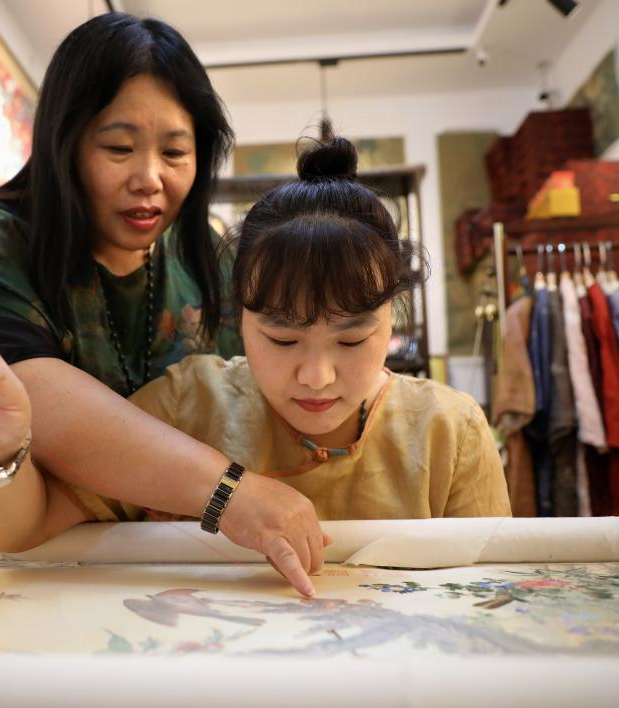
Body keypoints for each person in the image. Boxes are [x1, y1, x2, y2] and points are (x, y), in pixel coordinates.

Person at [0, 13, 327, 598]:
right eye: (118, 147)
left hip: (167, 557)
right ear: (64, 143)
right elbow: (34, 404)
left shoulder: (208, 257)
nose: (149, 178)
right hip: (5, 550)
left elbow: (250, 394)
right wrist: (229, 492)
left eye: (175, 152)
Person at [57, 122, 512, 523]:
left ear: (391, 316)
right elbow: (38, 518)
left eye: (352, 340)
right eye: (282, 339)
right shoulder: (185, 408)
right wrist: (11, 443)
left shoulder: (449, 433)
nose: (316, 377)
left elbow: (491, 586)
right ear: (240, 315)